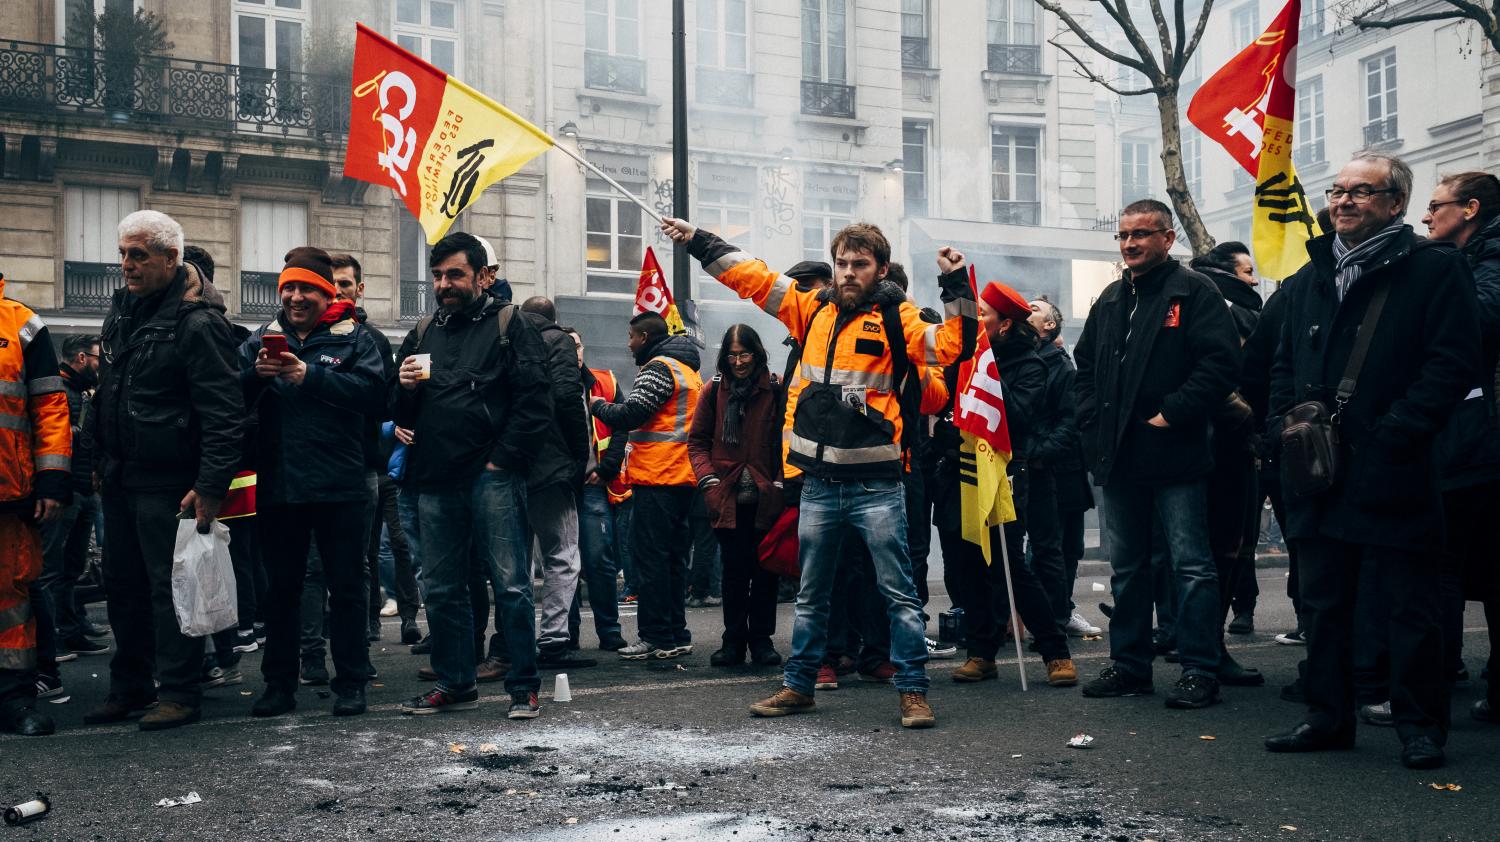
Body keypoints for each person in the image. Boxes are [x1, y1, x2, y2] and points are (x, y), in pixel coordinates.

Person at [661, 216, 977, 730]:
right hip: (819, 485)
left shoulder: (898, 318)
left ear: (878, 268)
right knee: (811, 596)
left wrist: (956, 283)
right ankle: (799, 685)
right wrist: (699, 241)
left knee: (898, 595)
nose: (849, 272)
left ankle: (913, 693)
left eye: (860, 264)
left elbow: (955, 345)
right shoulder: (811, 309)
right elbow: (753, 276)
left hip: (877, 486)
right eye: (842, 263)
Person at [1264, 153, 1481, 770]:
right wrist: (1284, 423)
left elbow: (1452, 363)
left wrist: (1397, 433)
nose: (1344, 200)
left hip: (1395, 463)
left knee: (1408, 602)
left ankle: (1419, 725)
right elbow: (1284, 363)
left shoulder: (1433, 267)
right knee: (1325, 603)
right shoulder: (1311, 274)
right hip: (1318, 468)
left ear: (1395, 204)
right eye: (1337, 190)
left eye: (1362, 191)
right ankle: (1327, 717)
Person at [1073, 198, 1241, 710]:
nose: (1130, 244)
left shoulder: (1195, 291)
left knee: (1191, 565)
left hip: (1177, 454)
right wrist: (1092, 425)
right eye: (1123, 235)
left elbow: (1220, 364)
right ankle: (1130, 665)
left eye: (1141, 234)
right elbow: (1085, 369)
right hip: (1119, 458)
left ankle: (1199, 669)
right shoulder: (1109, 298)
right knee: (1126, 568)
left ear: (1169, 238)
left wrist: (1172, 413)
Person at [85, 210, 243, 731]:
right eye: (123, 254)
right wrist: (95, 461)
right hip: (122, 475)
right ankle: (129, 687)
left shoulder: (199, 322)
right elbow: (108, 393)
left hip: (169, 481)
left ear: (171, 259)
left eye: (138, 255)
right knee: (123, 586)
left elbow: (224, 413)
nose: (126, 265)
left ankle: (178, 692)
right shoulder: (124, 309)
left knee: (170, 588)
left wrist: (210, 485)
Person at [394, 232, 552, 719]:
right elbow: (400, 411)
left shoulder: (512, 324)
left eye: (455, 275)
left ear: (484, 276)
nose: (444, 284)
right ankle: (455, 682)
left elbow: (536, 402)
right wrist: (400, 388)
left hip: (492, 478)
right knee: (442, 588)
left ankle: (523, 687)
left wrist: (499, 461)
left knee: (510, 586)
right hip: (434, 478)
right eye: (438, 276)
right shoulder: (423, 332)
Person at [241, 247, 386, 719]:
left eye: (307, 289)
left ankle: (351, 682)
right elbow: (225, 398)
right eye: (289, 288)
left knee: (346, 587)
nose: (296, 297)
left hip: (341, 483)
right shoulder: (259, 339)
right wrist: (252, 378)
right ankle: (278, 685)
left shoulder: (358, 338)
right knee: (280, 590)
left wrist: (311, 375)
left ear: (327, 294)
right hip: (280, 485)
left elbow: (375, 397)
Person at [946, 282, 1077, 688]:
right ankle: (980, 653)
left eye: (984, 315)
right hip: (960, 468)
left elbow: (1018, 417)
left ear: (1004, 325)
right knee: (967, 564)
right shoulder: (965, 354)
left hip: (1004, 472)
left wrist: (987, 377)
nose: (978, 320)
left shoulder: (1030, 363)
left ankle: (1055, 651)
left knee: (1009, 565)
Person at [1421, 172, 1500, 725]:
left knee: (1465, 563)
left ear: (1469, 209)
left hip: (1480, 441)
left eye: (1435, 206)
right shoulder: (1471, 261)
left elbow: (1474, 324)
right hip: (1471, 437)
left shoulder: (1484, 264)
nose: (1426, 218)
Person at [591, 312, 702, 661]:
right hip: (682, 476)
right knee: (671, 560)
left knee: (651, 560)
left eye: (631, 336)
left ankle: (656, 636)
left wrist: (597, 406)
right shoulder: (687, 370)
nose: (628, 344)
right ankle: (675, 634)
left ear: (644, 336)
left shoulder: (658, 367)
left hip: (658, 475)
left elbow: (632, 414)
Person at [1188, 241, 1266, 688]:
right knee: (1223, 549)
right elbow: (1227, 377)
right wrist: (1249, 418)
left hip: (1208, 443)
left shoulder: (1203, 300)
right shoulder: (1229, 307)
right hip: (1227, 446)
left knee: (1204, 551)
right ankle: (1207, 649)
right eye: (1248, 270)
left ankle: (1197, 641)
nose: (1254, 279)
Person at [0, 274, 72, 737]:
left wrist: (52, 480)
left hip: (8, 493)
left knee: (10, 602)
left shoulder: (22, 324)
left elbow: (49, 405)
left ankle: (13, 699)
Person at [688, 324, 785, 667]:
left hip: (766, 498)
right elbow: (698, 442)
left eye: (744, 354)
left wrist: (778, 481)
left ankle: (761, 641)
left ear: (757, 353)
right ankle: (733, 642)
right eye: (732, 355)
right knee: (733, 573)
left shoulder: (774, 389)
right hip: (726, 498)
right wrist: (709, 481)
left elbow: (782, 440)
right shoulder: (713, 390)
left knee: (764, 574)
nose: (739, 362)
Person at [517, 296, 593, 668]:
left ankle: (511, 641)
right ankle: (553, 641)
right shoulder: (557, 340)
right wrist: (579, 456)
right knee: (561, 553)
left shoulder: (504, 338)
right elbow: (567, 397)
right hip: (550, 463)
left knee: (516, 560)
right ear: (553, 319)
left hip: (509, 462)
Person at [33, 333, 107, 707]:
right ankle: (55, 638)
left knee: (71, 566)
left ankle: (72, 626)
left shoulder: (80, 392)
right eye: (96, 357)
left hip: (83, 491)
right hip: (65, 492)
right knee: (50, 569)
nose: (100, 364)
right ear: (80, 357)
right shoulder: (58, 391)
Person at [1027, 298, 1099, 637]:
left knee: (1066, 547)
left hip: (1063, 470)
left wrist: (1043, 452)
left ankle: (1060, 611)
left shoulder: (1061, 366)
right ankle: (1045, 616)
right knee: (1044, 546)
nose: (1027, 310)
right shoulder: (1026, 360)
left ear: (1050, 326)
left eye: (1035, 308)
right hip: (1042, 466)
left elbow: (1069, 422)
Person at [567, 328, 628, 652]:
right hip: (560, 488)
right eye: (566, 346)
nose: (573, 352)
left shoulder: (605, 381)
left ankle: (609, 630)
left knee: (599, 559)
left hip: (592, 485)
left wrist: (607, 469)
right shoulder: (547, 383)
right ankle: (568, 633)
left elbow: (621, 426)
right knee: (564, 562)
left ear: (582, 347)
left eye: (576, 345)